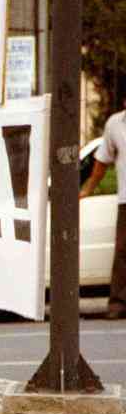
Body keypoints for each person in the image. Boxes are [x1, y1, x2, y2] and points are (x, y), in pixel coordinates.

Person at [80, 109, 126, 319]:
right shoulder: (115, 124)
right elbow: (102, 161)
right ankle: (118, 304)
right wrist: (87, 189)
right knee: (123, 253)